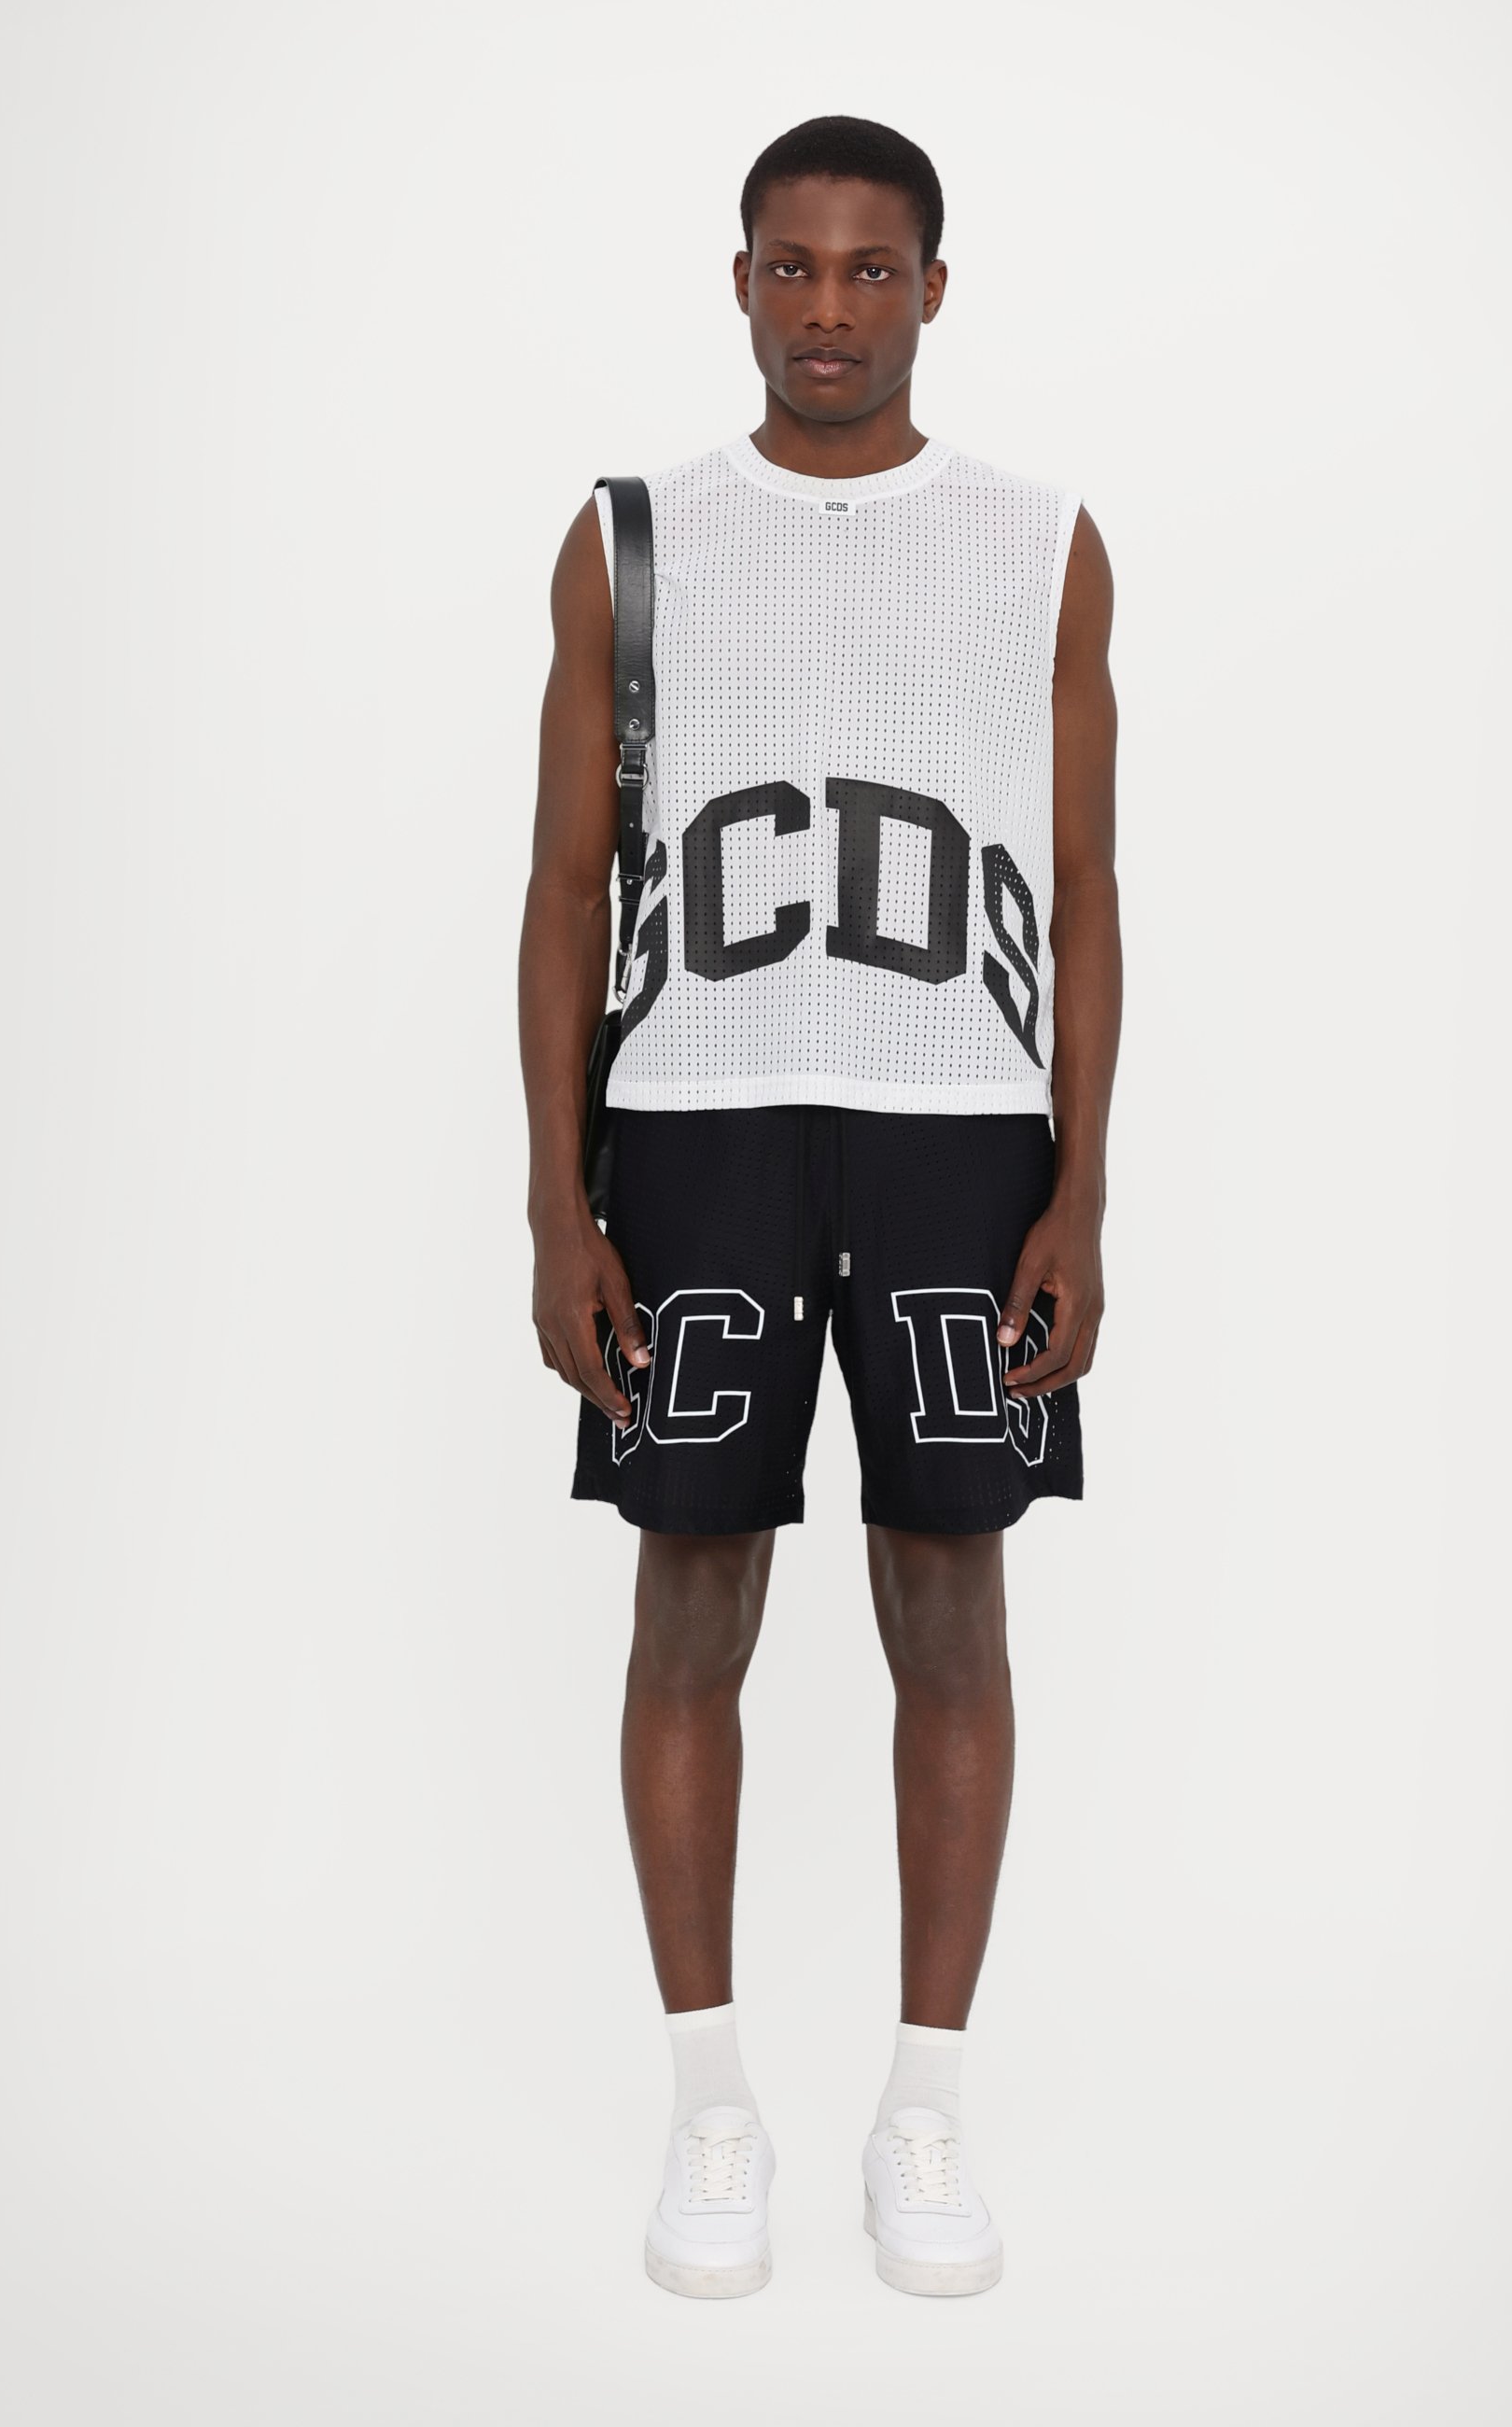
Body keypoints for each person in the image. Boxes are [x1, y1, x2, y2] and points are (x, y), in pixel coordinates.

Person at [518, 114, 1120, 2299]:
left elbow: (1083, 881)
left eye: (873, 269)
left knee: (949, 1610)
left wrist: (1080, 1188)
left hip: (960, 1126)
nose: (831, 308)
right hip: (696, 1123)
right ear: (741, 280)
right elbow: (564, 884)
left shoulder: (1040, 538)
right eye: (794, 266)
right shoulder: (634, 535)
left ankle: (922, 2112)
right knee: (691, 1604)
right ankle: (713, 2110)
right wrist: (554, 1200)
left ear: (933, 288)